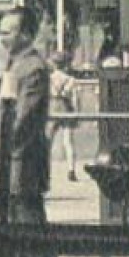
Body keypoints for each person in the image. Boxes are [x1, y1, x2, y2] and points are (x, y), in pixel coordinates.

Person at [0, 5, 74, 257]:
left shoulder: (32, 67)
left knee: (31, 231)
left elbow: (23, 120)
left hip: (20, 164)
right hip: (6, 164)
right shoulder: (14, 65)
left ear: (25, 33)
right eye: (2, 31)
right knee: (1, 227)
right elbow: (4, 112)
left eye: (9, 31)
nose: (2, 37)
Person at [48, 51, 79, 183]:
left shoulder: (49, 78)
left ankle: (44, 170)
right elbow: (73, 97)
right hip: (66, 109)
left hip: (53, 108)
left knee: (48, 142)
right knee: (68, 142)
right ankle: (71, 170)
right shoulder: (70, 79)